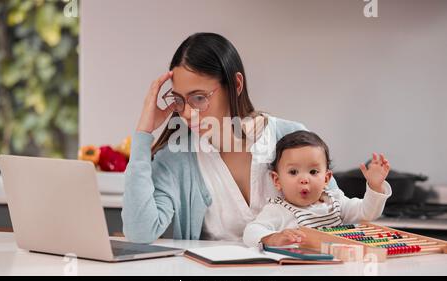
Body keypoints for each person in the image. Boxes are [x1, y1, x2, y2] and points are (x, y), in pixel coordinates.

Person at [122, 32, 337, 243]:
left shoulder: (291, 137)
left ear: (236, 85)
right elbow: (140, 232)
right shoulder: (176, 158)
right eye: (179, 100)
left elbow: (337, 212)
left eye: (198, 98)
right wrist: (144, 132)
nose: (186, 113)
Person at [243, 130, 392, 247]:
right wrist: (273, 238)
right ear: (277, 180)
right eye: (293, 172)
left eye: (313, 172)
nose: (304, 179)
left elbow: (367, 213)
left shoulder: (336, 202)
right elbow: (251, 232)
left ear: (326, 179)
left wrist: (375, 186)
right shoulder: (278, 210)